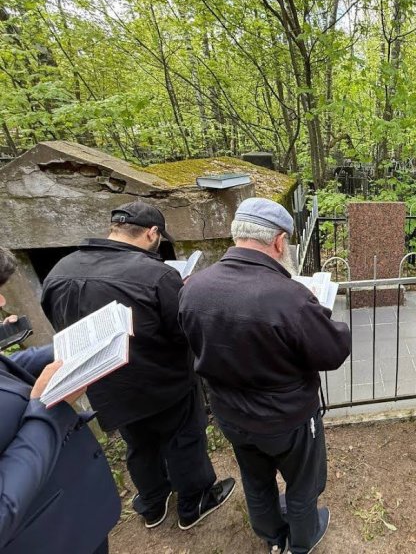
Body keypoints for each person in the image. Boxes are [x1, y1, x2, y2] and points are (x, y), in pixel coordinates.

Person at [41, 202, 234, 531]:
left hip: (107, 384)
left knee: (139, 444)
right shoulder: (157, 274)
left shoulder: (60, 270)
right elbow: (183, 329)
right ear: (152, 233)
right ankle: (193, 502)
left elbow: (59, 324)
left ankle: (152, 503)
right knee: (184, 440)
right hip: (165, 381)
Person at [178, 197, 351, 554]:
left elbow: (194, 340)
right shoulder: (289, 296)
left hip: (230, 412)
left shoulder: (193, 288)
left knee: (255, 479)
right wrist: (326, 318)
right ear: (278, 241)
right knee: (303, 485)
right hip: (287, 417)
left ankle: (272, 536)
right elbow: (332, 352)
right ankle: (302, 541)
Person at [0, 247, 120, 553]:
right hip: (43, 538)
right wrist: (46, 407)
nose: (2, 302)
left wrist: (66, 347)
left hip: (66, 513)